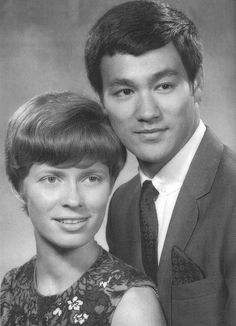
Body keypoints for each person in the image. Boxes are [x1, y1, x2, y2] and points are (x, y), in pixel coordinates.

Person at [85, 1, 236, 325]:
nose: (147, 112)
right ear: (103, 102)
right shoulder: (123, 204)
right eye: (125, 91)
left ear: (196, 84)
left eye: (164, 86)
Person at [0, 92, 166, 326]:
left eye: (91, 178)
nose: (73, 199)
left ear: (110, 183)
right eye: (51, 179)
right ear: (18, 186)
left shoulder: (132, 305)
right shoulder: (10, 287)